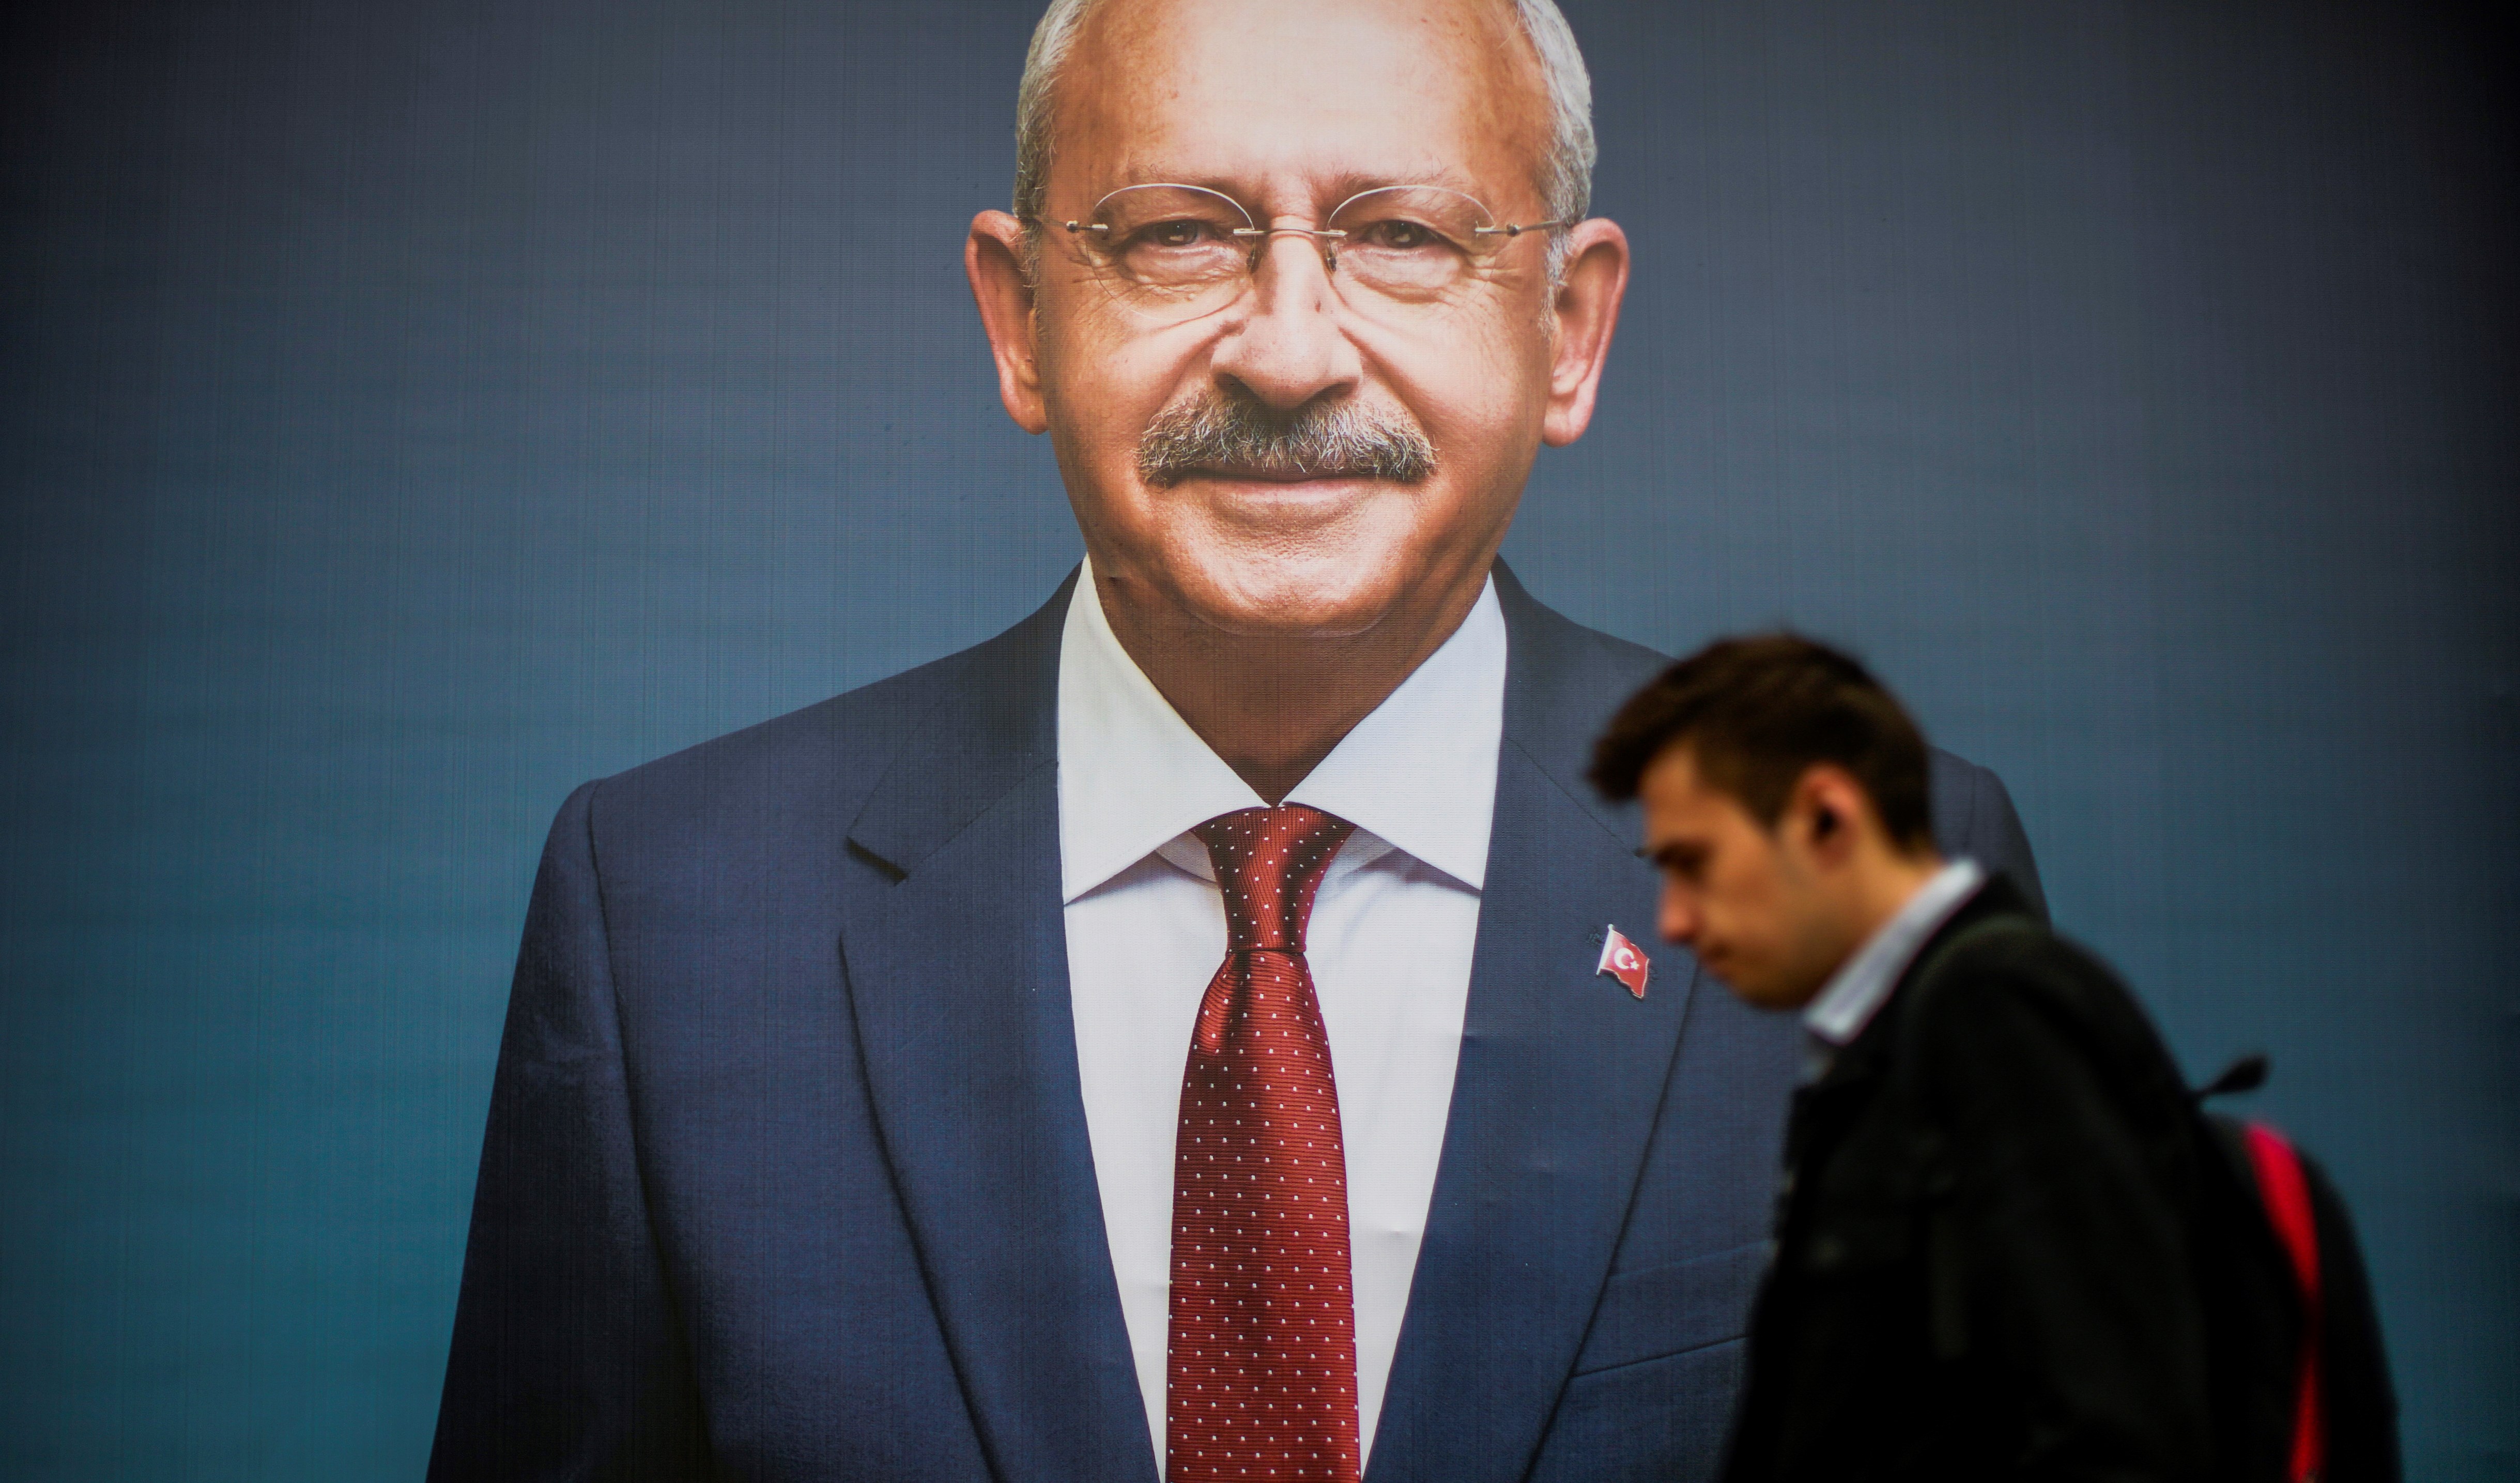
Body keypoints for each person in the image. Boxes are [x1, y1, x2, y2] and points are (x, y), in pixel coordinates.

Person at [427, 5, 2047, 1481]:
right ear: (1019, 318)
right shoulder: (673, 919)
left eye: (1403, 235)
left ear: (1568, 329)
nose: (1287, 352)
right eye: (1178, 236)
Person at [1589, 634, 2213, 1482]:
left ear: (1826, 819)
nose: (1673, 921)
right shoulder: (1919, 1038)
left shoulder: (2001, 1015)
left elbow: (2116, 1426)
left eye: (1694, 863)